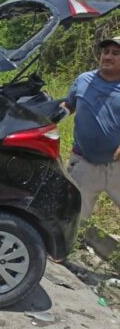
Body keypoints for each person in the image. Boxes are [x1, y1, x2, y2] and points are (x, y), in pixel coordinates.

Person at [62, 35, 120, 220]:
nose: (108, 56)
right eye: (105, 52)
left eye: (116, 53)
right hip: (84, 163)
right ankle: (77, 239)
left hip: (118, 166)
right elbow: (68, 106)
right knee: (73, 216)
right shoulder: (84, 80)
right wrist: (45, 116)